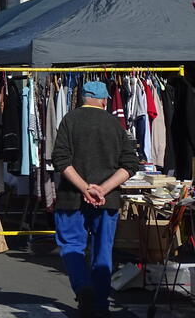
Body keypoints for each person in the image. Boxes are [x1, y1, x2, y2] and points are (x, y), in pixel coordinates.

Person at [52, 81, 138, 317]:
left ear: (82, 98)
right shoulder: (115, 124)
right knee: (102, 250)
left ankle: (83, 287)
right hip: (107, 199)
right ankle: (100, 304)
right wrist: (102, 189)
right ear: (103, 100)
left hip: (72, 197)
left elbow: (60, 159)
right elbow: (130, 164)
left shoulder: (70, 120)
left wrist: (84, 188)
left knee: (71, 246)